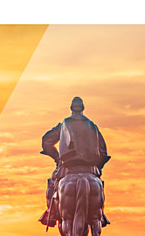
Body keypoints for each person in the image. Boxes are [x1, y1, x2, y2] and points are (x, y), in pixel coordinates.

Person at [39, 97, 110, 227]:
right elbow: (103, 152)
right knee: (99, 186)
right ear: (83, 108)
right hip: (90, 169)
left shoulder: (63, 125)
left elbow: (46, 141)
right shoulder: (93, 126)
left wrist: (57, 158)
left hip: (68, 168)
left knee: (52, 184)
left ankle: (51, 213)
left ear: (71, 108)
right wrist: (97, 167)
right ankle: (100, 214)